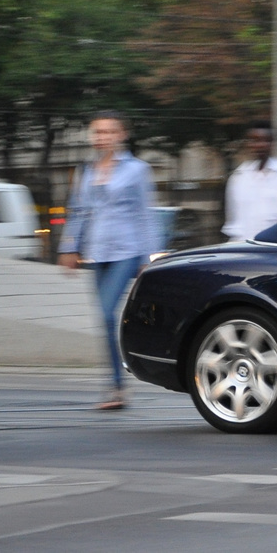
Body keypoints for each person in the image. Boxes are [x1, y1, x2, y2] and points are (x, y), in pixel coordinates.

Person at [58, 112, 162, 411]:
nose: (102, 137)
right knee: (103, 320)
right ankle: (116, 388)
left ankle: (120, 381)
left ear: (121, 135)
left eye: (108, 132)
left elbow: (147, 213)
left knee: (105, 314)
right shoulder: (86, 171)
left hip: (127, 251)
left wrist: (149, 256)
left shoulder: (137, 170)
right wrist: (69, 246)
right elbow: (77, 210)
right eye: (97, 132)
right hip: (98, 251)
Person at [222, 122, 277, 243]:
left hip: (276, 250)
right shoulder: (239, 177)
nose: (260, 145)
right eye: (254, 140)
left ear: (272, 143)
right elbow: (234, 223)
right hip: (243, 250)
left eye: (265, 140)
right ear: (248, 144)